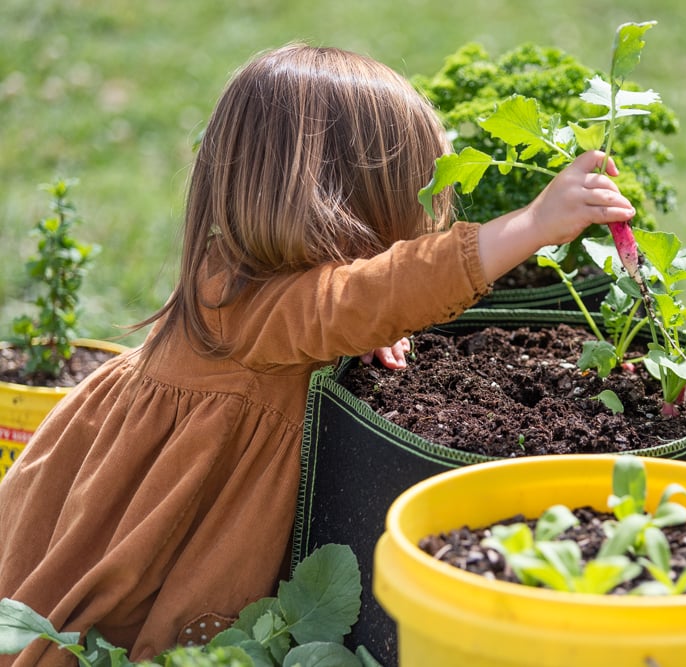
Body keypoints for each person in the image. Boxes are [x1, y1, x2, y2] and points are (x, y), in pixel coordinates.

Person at [0, 43, 634, 665]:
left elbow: (347, 304)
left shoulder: (242, 276)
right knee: (150, 634)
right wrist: (532, 224)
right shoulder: (261, 306)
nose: (429, 210)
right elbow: (361, 295)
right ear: (350, 196)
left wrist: (368, 325)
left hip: (126, 457)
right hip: (177, 519)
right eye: (413, 190)